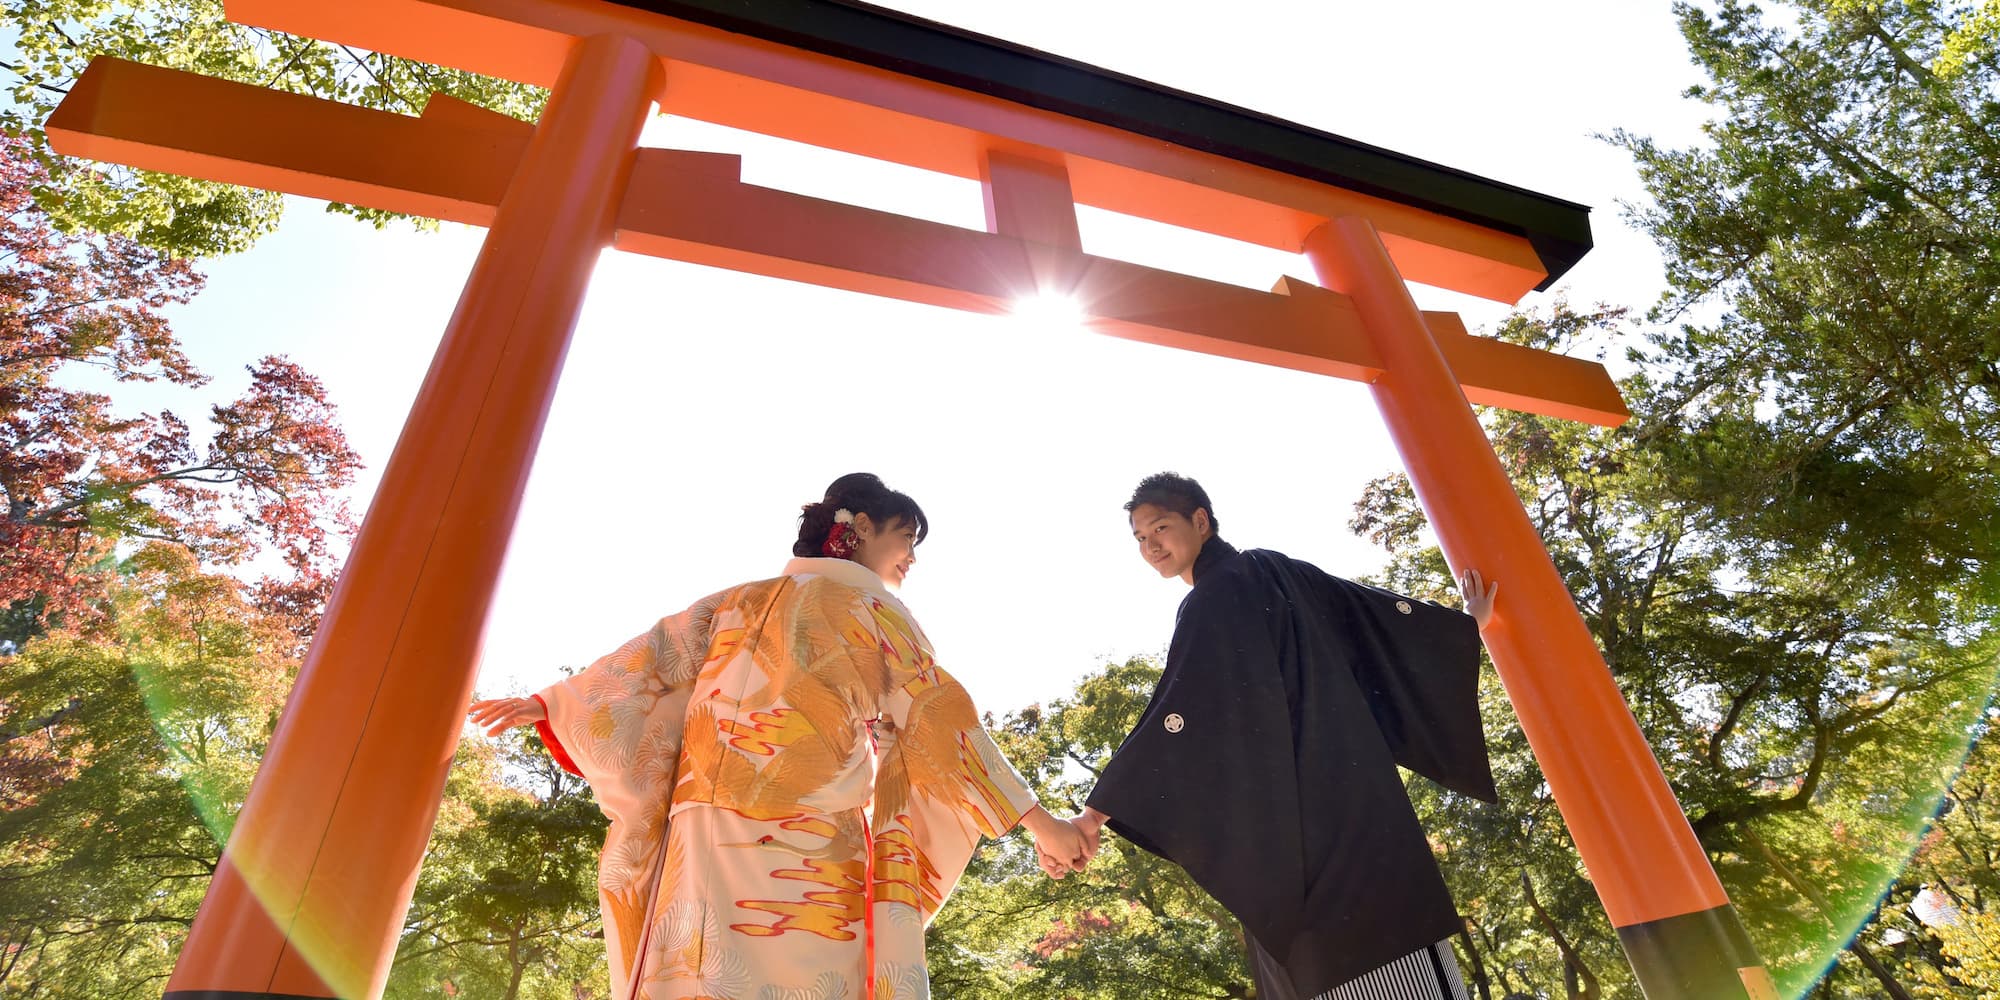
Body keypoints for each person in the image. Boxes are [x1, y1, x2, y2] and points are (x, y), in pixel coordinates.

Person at [471, 473, 1087, 1000]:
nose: (913, 558)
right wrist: (1041, 824)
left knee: (696, 978)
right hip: (804, 845)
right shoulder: (875, 614)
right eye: (907, 538)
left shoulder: (738, 600)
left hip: (701, 835)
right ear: (863, 526)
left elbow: (648, 663)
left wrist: (551, 703)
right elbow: (940, 721)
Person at [1052, 472, 1499, 1000]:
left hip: (1297, 841)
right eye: (1140, 539)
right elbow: (1367, 618)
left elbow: (1178, 714)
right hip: (1362, 815)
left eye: (1160, 528)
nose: (1151, 547)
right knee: (1393, 952)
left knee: (1324, 956)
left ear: (1201, 521)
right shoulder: (1272, 569)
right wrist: (1460, 628)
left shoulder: (1217, 596)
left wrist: (1094, 814)